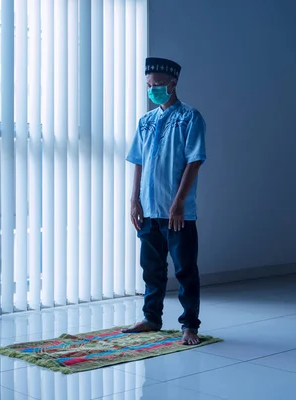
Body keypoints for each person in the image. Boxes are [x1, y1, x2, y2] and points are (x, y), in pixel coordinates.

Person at [123, 57, 206, 345]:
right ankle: (151, 318)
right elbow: (137, 162)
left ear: (173, 84)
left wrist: (179, 202)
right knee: (151, 267)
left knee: (184, 268)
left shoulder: (190, 118)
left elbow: (194, 162)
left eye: (157, 85)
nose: (152, 90)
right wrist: (134, 201)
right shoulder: (145, 122)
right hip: (149, 209)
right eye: (149, 86)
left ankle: (189, 326)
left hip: (177, 213)